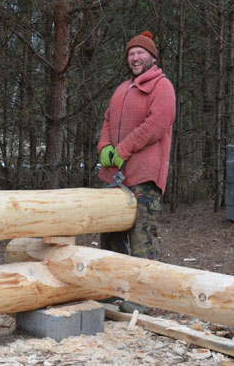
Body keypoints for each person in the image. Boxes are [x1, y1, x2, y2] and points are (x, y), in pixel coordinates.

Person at [97, 31, 176, 314]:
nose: (135, 57)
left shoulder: (162, 86)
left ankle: (142, 297)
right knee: (110, 236)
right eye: (131, 54)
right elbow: (107, 120)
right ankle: (110, 291)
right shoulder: (122, 89)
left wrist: (124, 149)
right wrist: (104, 146)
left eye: (140, 53)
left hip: (144, 178)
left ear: (152, 57)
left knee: (142, 237)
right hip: (115, 179)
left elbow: (158, 124)